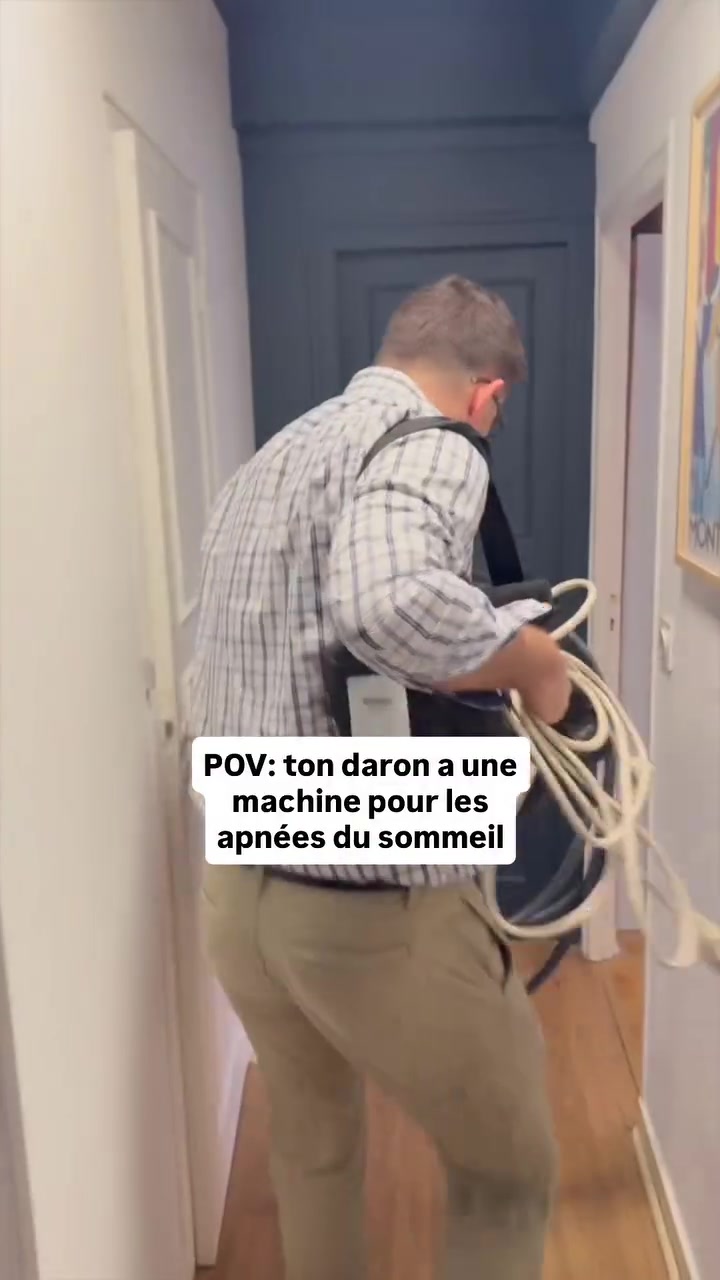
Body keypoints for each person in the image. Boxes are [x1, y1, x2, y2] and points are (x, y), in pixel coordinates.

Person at [187, 276, 570, 1280]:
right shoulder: (436, 444)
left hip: (240, 881)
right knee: (510, 1168)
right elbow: (386, 600)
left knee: (314, 1145)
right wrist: (536, 662)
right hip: (363, 903)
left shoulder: (272, 459)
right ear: (487, 394)